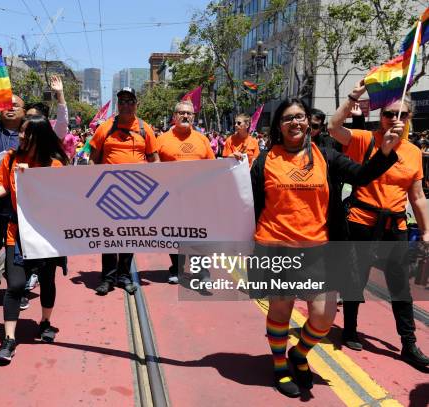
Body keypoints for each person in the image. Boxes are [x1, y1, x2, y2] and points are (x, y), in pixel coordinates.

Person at [251, 98, 399, 398]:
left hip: (320, 250)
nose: (295, 123)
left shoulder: (327, 157)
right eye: (288, 118)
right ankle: (280, 363)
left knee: (323, 317)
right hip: (277, 247)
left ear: (308, 123)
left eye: (301, 117)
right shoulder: (265, 161)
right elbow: (250, 206)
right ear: (278, 126)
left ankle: (299, 353)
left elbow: (361, 176)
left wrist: (385, 151)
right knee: (281, 310)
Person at [328, 81, 429, 370]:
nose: (395, 120)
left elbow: (418, 196)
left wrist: (426, 231)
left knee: (400, 286)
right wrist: (353, 97)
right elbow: (334, 128)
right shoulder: (364, 140)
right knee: (355, 278)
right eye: (389, 114)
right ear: (380, 115)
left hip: (394, 226)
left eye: (402, 115)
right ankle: (349, 328)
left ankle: (408, 344)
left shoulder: (413, 153)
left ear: (410, 118)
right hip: (361, 222)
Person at [0, 115, 69, 363]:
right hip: (16, 233)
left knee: (47, 280)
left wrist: (32, 178)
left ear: (39, 137)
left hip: (45, 234)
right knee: (15, 285)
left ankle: (44, 322)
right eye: (21, 131)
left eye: (27, 133)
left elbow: (58, 199)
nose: (21, 136)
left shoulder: (54, 165)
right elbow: (3, 186)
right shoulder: (10, 158)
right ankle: (9, 339)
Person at [89, 87, 159, 295]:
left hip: (136, 194)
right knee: (109, 236)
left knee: (129, 237)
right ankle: (107, 278)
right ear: (118, 105)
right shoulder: (105, 128)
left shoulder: (145, 129)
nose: (126, 104)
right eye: (122, 101)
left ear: (137, 104)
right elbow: (93, 159)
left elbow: (154, 160)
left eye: (130, 101)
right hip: (108, 194)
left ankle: (124, 275)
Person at [156, 100, 215, 284]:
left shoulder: (202, 139)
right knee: (174, 237)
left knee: (199, 237)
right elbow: (153, 167)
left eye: (189, 113)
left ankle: (202, 271)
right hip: (171, 199)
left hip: (197, 198)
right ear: (174, 117)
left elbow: (213, 168)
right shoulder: (162, 139)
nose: (185, 116)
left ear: (194, 117)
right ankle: (177, 269)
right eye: (181, 113)